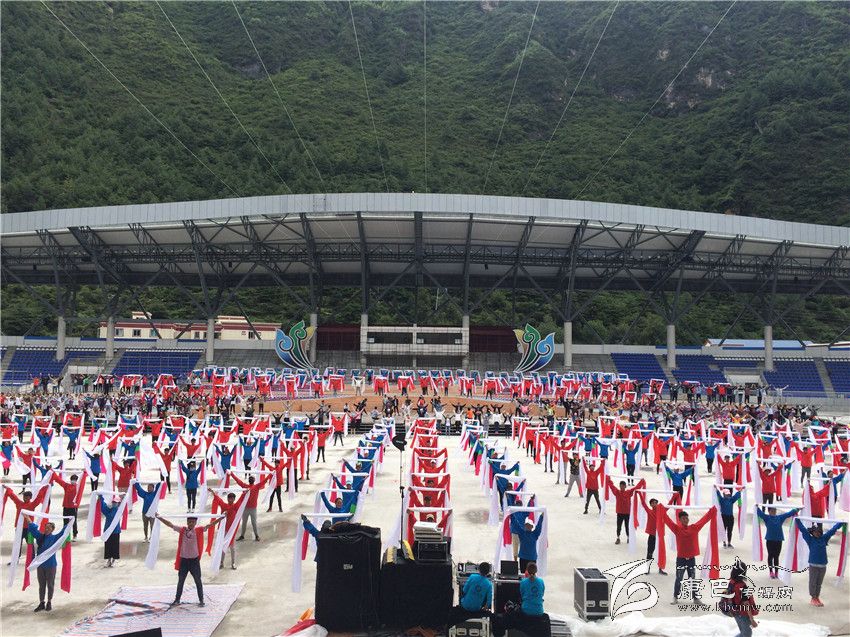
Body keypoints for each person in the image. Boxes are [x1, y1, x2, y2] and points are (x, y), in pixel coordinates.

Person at [156, 514, 222, 607]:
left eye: (193, 522)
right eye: (189, 522)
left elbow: (210, 525)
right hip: (184, 561)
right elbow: (170, 524)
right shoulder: (182, 530)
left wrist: (221, 518)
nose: (191, 523)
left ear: (195, 523)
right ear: (187, 522)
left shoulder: (199, 530)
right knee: (181, 581)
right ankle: (177, 599)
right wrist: (159, 518)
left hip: (194, 561)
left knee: (198, 580)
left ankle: (201, 600)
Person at [663, 508, 715, 604]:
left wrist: (711, 512)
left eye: (687, 518)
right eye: (683, 518)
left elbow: (703, 520)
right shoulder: (676, 529)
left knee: (693, 578)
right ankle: (675, 596)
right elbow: (667, 520)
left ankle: (695, 598)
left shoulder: (694, 527)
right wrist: (661, 510)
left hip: (691, 559)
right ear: (679, 520)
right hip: (681, 559)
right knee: (679, 578)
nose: (686, 520)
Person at [795, 519, 844, 606]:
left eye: (818, 532)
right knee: (813, 582)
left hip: (823, 565)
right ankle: (813, 598)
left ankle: (817, 597)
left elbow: (833, 530)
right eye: (815, 532)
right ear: (812, 533)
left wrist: (841, 523)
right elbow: (803, 530)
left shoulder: (824, 538)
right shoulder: (810, 539)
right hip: (813, 565)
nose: (817, 533)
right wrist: (797, 520)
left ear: (820, 532)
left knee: (819, 583)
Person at [27, 519, 70, 612]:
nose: (46, 529)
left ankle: (49, 602)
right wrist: (28, 519)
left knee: (50, 585)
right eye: (46, 528)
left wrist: (69, 522)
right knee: (41, 585)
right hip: (40, 565)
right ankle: (42, 602)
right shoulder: (40, 537)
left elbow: (63, 532)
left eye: (49, 528)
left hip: (51, 565)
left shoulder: (55, 538)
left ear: (52, 530)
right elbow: (33, 530)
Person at [756, 506, 799, 579]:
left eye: (775, 510)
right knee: (770, 556)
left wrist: (797, 509)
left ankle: (776, 572)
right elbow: (759, 513)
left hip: (778, 540)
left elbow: (789, 514)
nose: (774, 511)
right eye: (772, 510)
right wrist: (756, 506)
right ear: (769, 511)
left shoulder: (780, 517)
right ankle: (771, 571)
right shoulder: (767, 517)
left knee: (776, 556)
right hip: (770, 540)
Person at [447, 561, 492, 628]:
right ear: (488, 572)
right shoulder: (489, 584)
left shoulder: (472, 577)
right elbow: (489, 601)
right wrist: (484, 609)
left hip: (465, 606)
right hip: (476, 609)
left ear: (479, 569)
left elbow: (464, 590)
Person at [722, 559, 758, 637]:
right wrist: (752, 620)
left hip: (735, 612)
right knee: (746, 634)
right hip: (743, 614)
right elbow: (746, 603)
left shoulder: (731, 582)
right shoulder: (742, 586)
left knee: (743, 633)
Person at [230, 472, 271, 541]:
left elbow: (264, 481)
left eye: (252, 478)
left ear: (253, 480)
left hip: (251, 509)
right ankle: (244, 535)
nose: (251, 479)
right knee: (246, 523)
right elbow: (238, 481)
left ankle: (256, 536)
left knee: (253, 523)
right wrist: (232, 474)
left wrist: (232, 474)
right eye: (250, 478)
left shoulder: (252, 486)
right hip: (247, 508)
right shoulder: (252, 486)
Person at [50, 472, 81, 539]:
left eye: (74, 480)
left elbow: (83, 480)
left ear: (76, 480)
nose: (73, 481)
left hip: (73, 507)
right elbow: (59, 480)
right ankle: (65, 535)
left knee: (73, 522)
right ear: (70, 480)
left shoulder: (78, 487)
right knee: (65, 522)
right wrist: (52, 472)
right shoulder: (67, 485)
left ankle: (75, 535)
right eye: (72, 479)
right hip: (66, 506)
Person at [101, 496, 122, 567]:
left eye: (116, 502)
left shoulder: (119, 511)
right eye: (113, 502)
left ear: (118, 503)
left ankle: (114, 560)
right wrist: (101, 498)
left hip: (115, 531)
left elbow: (110, 515)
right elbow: (103, 507)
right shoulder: (109, 510)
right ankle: (109, 560)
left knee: (115, 546)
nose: (114, 503)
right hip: (108, 531)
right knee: (108, 546)